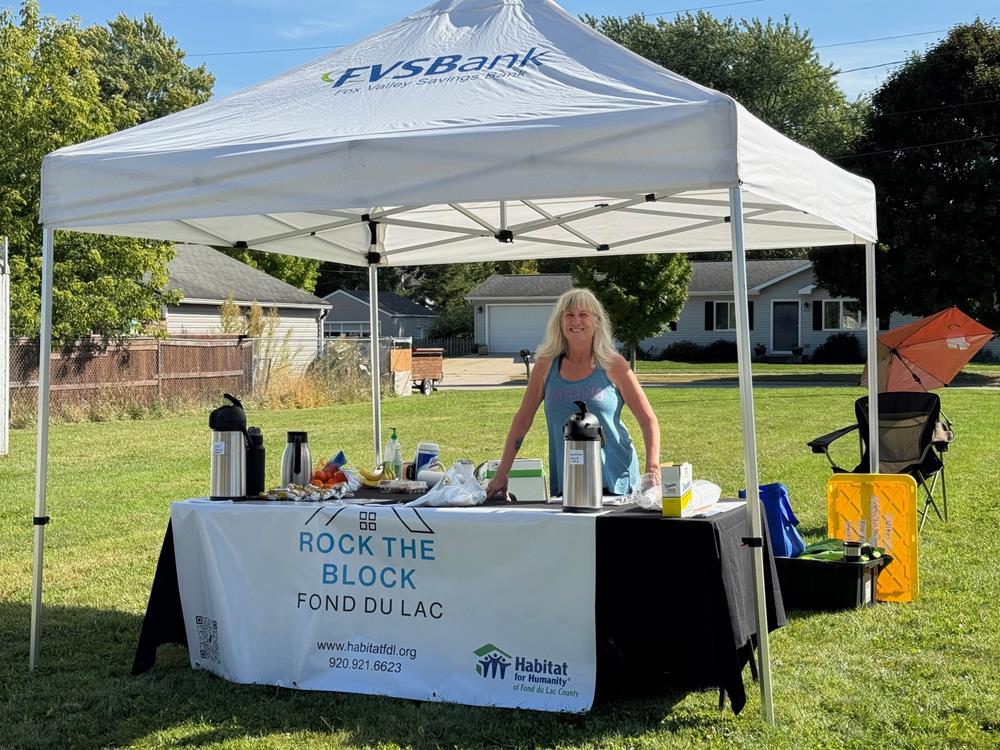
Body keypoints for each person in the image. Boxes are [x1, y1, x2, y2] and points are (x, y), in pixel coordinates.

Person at [485, 288, 660, 499]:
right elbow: (523, 419)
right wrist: (502, 472)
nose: (576, 321)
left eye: (583, 314)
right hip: (569, 480)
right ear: (560, 322)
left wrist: (653, 469)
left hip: (614, 479)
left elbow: (647, 420)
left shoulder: (614, 364)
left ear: (596, 321)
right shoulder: (545, 365)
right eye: (569, 314)